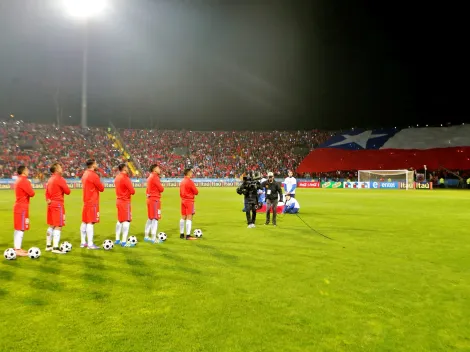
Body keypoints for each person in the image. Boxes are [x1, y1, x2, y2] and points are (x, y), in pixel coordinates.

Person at [45, 163, 71, 254]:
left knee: (51, 224)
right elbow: (68, 191)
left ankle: (48, 245)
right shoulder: (60, 179)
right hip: (58, 204)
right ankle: (55, 247)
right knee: (58, 225)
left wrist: (48, 200)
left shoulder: (50, 179)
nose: (62, 168)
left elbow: (46, 193)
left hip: (51, 204)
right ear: (56, 169)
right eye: (60, 167)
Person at [80, 159, 105, 249]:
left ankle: (83, 242)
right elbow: (101, 188)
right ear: (93, 165)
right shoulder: (93, 175)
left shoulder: (85, 174)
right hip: (93, 201)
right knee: (90, 222)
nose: (97, 164)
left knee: (85, 221)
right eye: (96, 163)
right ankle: (90, 244)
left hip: (86, 201)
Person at [13, 165, 35, 257]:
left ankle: (17, 248)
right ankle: (17, 249)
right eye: (27, 169)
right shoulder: (24, 181)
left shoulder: (18, 180)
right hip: (22, 207)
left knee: (18, 228)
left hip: (19, 206)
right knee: (21, 228)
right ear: (23, 171)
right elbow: (32, 193)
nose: (28, 171)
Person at [114, 163, 136, 247]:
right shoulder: (125, 178)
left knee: (120, 220)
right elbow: (132, 191)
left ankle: (117, 239)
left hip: (119, 201)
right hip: (125, 201)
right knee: (126, 221)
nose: (128, 168)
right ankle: (124, 242)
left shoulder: (117, 177)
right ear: (124, 168)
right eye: (127, 167)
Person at [144, 164, 164, 243]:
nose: (160, 169)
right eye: (158, 168)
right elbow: (161, 189)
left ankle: (146, 236)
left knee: (150, 218)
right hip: (155, 199)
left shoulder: (149, 177)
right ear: (155, 169)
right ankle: (153, 238)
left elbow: (147, 189)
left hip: (150, 199)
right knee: (155, 219)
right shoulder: (155, 177)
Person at [179, 168, 199, 240]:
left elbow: (180, 192)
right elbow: (196, 192)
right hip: (189, 201)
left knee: (183, 217)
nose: (192, 174)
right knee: (189, 217)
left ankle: (181, 234)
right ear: (188, 173)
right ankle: (188, 236)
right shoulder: (190, 181)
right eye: (191, 172)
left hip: (183, 200)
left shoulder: (182, 181)